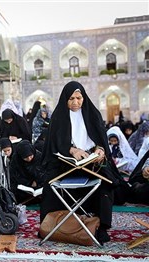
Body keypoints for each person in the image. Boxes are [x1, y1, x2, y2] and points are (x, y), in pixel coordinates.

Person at [40, 81, 127, 245]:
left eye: (79, 98)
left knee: (105, 182)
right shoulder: (59, 117)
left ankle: (101, 226)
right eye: (71, 98)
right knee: (49, 183)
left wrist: (100, 150)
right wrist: (72, 150)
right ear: (65, 99)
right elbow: (53, 145)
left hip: (91, 163)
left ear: (84, 98)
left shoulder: (92, 114)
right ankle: (54, 224)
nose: (75, 102)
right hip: (65, 163)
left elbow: (101, 140)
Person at [9, 140, 45, 205]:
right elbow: (14, 176)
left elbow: (44, 172)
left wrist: (37, 181)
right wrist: (29, 183)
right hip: (23, 187)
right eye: (25, 157)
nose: (29, 159)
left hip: (38, 185)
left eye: (30, 156)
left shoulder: (39, 156)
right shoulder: (16, 160)